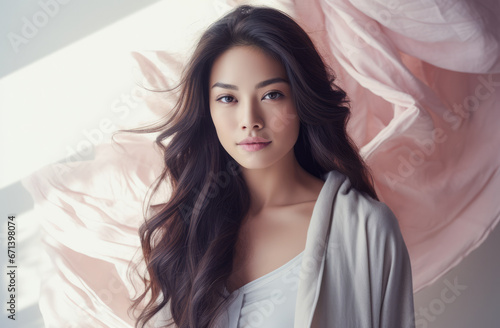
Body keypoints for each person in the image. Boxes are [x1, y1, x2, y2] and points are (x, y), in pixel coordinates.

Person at [120, 4, 415, 328]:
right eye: (228, 99)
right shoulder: (187, 229)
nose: (250, 121)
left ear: (301, 100)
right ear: (207, 110)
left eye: (272, 95)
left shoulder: (364, 229)